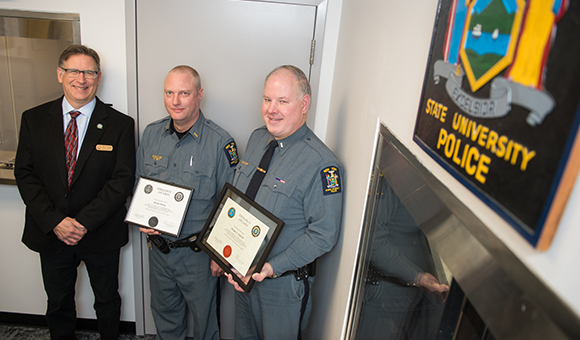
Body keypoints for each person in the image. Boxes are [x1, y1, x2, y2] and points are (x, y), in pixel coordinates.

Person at [14, 44, 136, 340]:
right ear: (60, 74)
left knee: (107, 300)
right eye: (74, 71)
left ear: (98, 76)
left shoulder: (120, 124)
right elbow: (25, 175)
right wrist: (57, 221)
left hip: (100, 233)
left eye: (89, 72)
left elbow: (121, 180)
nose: (82, 79)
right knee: (58, 302)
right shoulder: (34, 119)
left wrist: (83, 223)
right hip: (51, 232)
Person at [225, 65, 344, 340]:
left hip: (281, 287)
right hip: (242, 276)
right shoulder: (257, 138)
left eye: (282, 101)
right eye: (267, 99)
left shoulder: (322, 164)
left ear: (304, 104)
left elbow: (323, 234)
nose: (271, 109)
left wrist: (271, 267)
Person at [136, 65, 238, 340]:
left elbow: (229, 205)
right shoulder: (151, 134)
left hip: (199, 257)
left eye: (184, 93)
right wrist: (141, 218)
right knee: (165, 320)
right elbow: (139, 186)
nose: (175, 101)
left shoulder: (220, 143)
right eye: (169, 93)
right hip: (159, 252)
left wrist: (220, 255)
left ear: (199, 95)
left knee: (206, 326)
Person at [356, 174, 449, 340]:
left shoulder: (423, 182)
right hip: (384, 295)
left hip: (408, 296)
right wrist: (418, 277)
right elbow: (372, 241)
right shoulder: (393, 179)